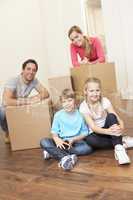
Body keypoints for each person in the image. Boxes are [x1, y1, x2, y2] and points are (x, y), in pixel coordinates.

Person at [79, 77, 133, 165]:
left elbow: (116, 117)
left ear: (100, 91)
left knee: (111, 116)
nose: (95, 93)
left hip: (109, 127)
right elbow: (93, 127)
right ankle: (122, 142)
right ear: (85, 92)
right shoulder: (83, 107)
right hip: (98, 132)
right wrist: (109, 132)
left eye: (97, 90)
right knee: (90, 140)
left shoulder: (104, 101)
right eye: (91, 91)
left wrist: (121, 127)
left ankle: (119, 150)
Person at [40, 88, 93, 171]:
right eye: (64, 102)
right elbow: (54, 132)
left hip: (75, 142)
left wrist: (73, 139)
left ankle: (54, 153)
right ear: (61, 103)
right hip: (61, 141)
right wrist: (57, 140)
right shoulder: (58, 115)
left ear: (74, 101)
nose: (67, 104)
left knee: (88, 148)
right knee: (44, 141)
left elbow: (85, 133)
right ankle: (64, 157)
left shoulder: (81, 115)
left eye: (69, 100)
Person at [0, 59, 49, 143]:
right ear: (23, 70)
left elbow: (46, 93)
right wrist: (27, 101)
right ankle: (8, 132)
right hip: (11, 107)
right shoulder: (13, 80)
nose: (31, 72)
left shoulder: (34, 81)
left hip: (22, 106)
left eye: (34, 70)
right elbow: (6, 101)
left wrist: (34, 98)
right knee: (2, 111)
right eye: (28, 69)